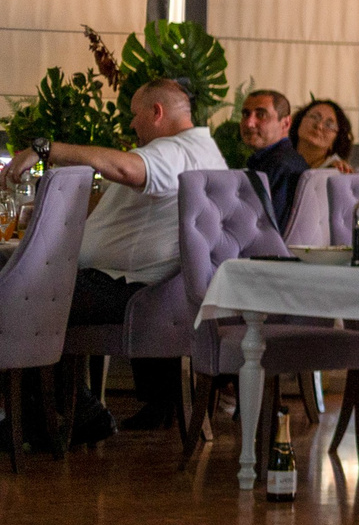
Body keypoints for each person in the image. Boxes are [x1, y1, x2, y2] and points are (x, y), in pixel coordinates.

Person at [2, 78, 227, 438]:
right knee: (22, 293)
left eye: (135, 116)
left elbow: (128, 169)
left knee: (19, 302)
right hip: (130, 282)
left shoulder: (176, 150)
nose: (131, 125)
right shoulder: (196, 150)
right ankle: (52, 415)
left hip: (127, 288)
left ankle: (72, 415)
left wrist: (45, 150)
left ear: (157, 112)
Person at [236, 88, 303, 227]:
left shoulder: (280, 167)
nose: (249, 123)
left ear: (285, 123)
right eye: (245, 114)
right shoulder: (269, 160)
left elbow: (266, 229)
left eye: (261, 115)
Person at [290, 97, 356, 173]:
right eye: (314, 117)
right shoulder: (280, 156)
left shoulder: (337, 171)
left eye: (329, 125)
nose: (319, 126)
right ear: (300, 121)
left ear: (336, 140)